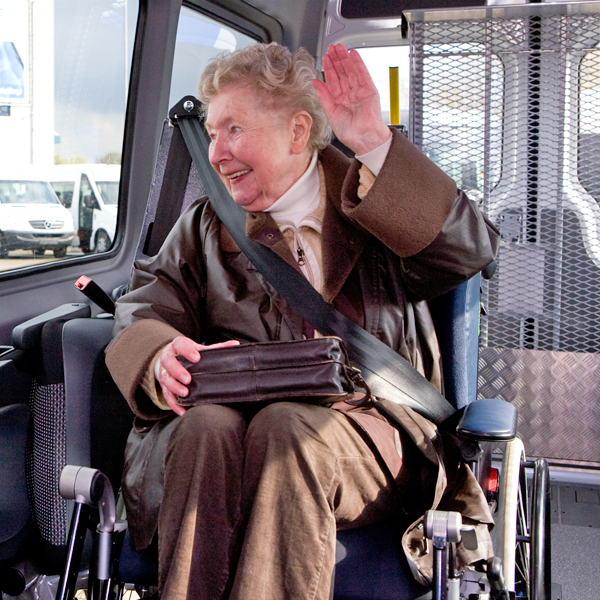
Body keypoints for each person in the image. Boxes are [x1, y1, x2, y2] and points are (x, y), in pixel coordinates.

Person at [106, 42, 500, 600]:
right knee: (202, 428)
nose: (216, 154)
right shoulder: (204, 226)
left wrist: (375, 143)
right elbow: (146, 306)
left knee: (288, 429)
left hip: (368, 429)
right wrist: (157, 355)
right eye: (212, 134)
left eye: (234, 130)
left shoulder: (375, 208)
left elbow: (469, 252)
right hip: (228, 421)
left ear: (296, 132)